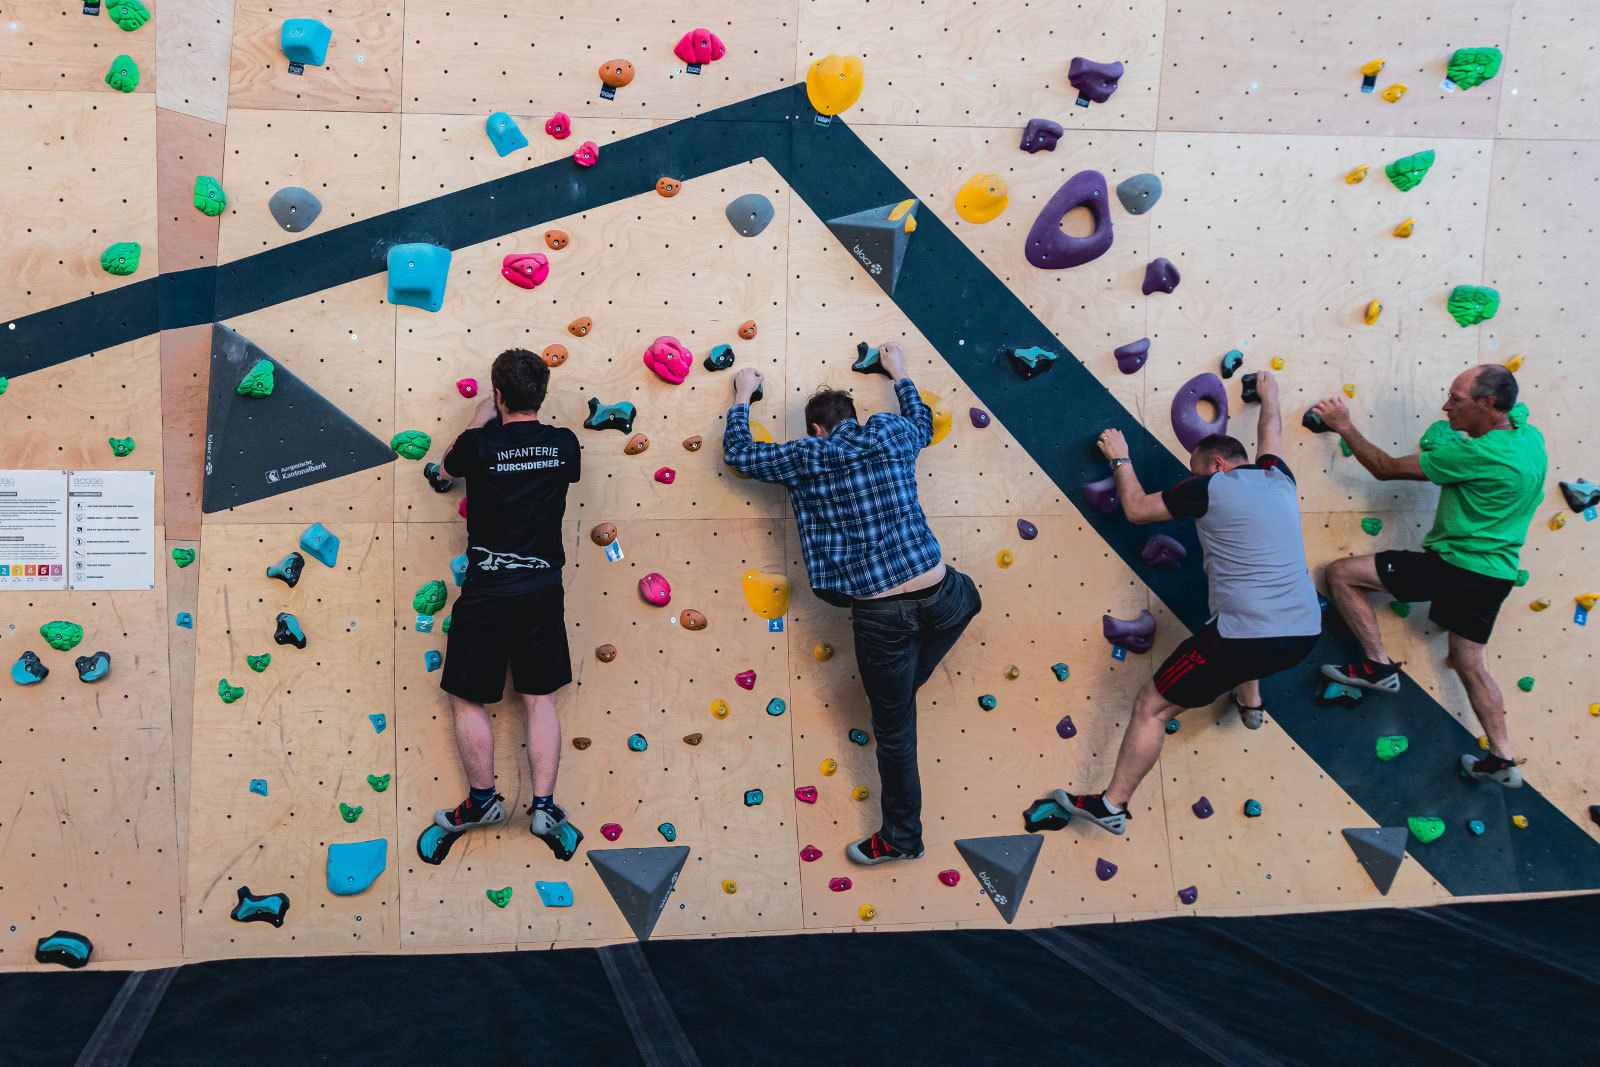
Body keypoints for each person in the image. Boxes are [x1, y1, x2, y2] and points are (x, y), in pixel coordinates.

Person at [721, 342, 982, 866]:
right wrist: (899, 370)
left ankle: (903, 840)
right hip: (945, 595)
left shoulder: (806, 456)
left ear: (817, 428)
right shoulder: (891, 433)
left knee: (894, 731)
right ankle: (899, 696)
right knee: (967, 600)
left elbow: (740, 455)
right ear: (855, 418)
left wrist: (743, 397)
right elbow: (923, 420)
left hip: (882, 618)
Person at [1053, 370, 1321, 834]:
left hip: (1247, 637)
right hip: (1302, 632)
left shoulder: (1210, 487)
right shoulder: (1279, 477)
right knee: (1247, 621)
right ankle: (1251, 702)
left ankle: (1112, 806)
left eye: (1195, 472)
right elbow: (1270, 430)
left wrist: (1120, 459)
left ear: (1215, 467)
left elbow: (1137, 509)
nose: (1192, 481)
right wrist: (1270, 390)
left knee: (1151, 706)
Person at [1310, 364, 1544, 788]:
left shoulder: (1476, 455)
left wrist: (1344, 425)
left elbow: (1384, 467)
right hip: (1496, 575)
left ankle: (1377, 667)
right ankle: (1502, 758)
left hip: (1454, 567)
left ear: (1488, 404)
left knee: (1341, 574)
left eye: (1456, 399)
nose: (1445, 406)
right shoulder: (1529, 438)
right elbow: (1515, 410)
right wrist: (1461, 424)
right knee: (1469, 663)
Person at [431, 348, 585, 859]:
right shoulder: (564, 445)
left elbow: (443, 473)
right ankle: (544, 806)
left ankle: (482, 802)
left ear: (498, 396)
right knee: (540, 699)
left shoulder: (480, 445)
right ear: (541, 395)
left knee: (465, 696)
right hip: (543, 588)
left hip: (488, 592)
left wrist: (478, 422)